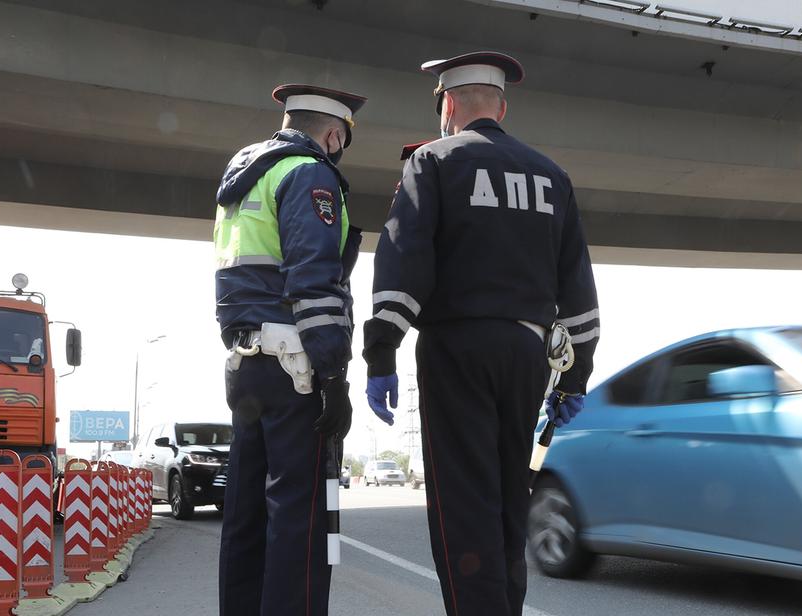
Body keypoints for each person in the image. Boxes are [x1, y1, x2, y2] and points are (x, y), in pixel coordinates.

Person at [363, 52, 599, 616]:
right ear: (503, 105)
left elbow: (405, 261)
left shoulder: (434, 162)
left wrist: (380, 352)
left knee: (461, 506)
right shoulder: (552, 176)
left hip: (457, 350)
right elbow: (579, 290)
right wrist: (576, 378)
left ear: (447, 105)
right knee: (506, 504)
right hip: (527, 354)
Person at [214, 83, 366, 616]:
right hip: (296, 367)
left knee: (246, 517)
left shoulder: (243, 176)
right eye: (342, 141)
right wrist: (334, 378)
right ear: (331, 133)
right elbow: (315, 282)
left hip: (246, 364)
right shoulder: (310, 173)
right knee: (305, 524)